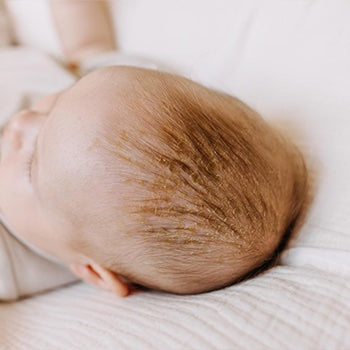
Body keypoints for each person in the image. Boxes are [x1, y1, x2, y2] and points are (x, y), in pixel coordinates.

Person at [0, 0, 308, 300]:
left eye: (31, 165)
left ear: (94, 273)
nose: (21, 122)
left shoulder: (9, 259)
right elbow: (88, 48)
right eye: (59, 99)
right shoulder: (115, 102)